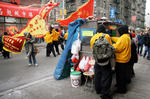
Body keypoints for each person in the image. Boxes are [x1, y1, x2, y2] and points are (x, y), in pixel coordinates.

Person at [90, 24, 113, 99]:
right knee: (106, 76)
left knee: (97, 75)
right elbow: (110, 47)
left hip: (97, 60)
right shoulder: (107, 36)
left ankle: (98, 90)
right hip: (105, 60)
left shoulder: (93, 37)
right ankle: (105, 94)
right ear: (104, 30)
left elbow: (92, 48)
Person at [112, 25, 131, 94]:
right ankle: (120, 85)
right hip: (125, 59)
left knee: (120, 75)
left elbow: (117, 48)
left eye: (119, 32)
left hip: (121, 60)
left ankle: (121, 89)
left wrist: (111, 45)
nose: (118, 33)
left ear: (122, 31)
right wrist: (111, 38)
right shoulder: (126, 36)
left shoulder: (123, 38)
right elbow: (118, 40)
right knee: (122, 75)